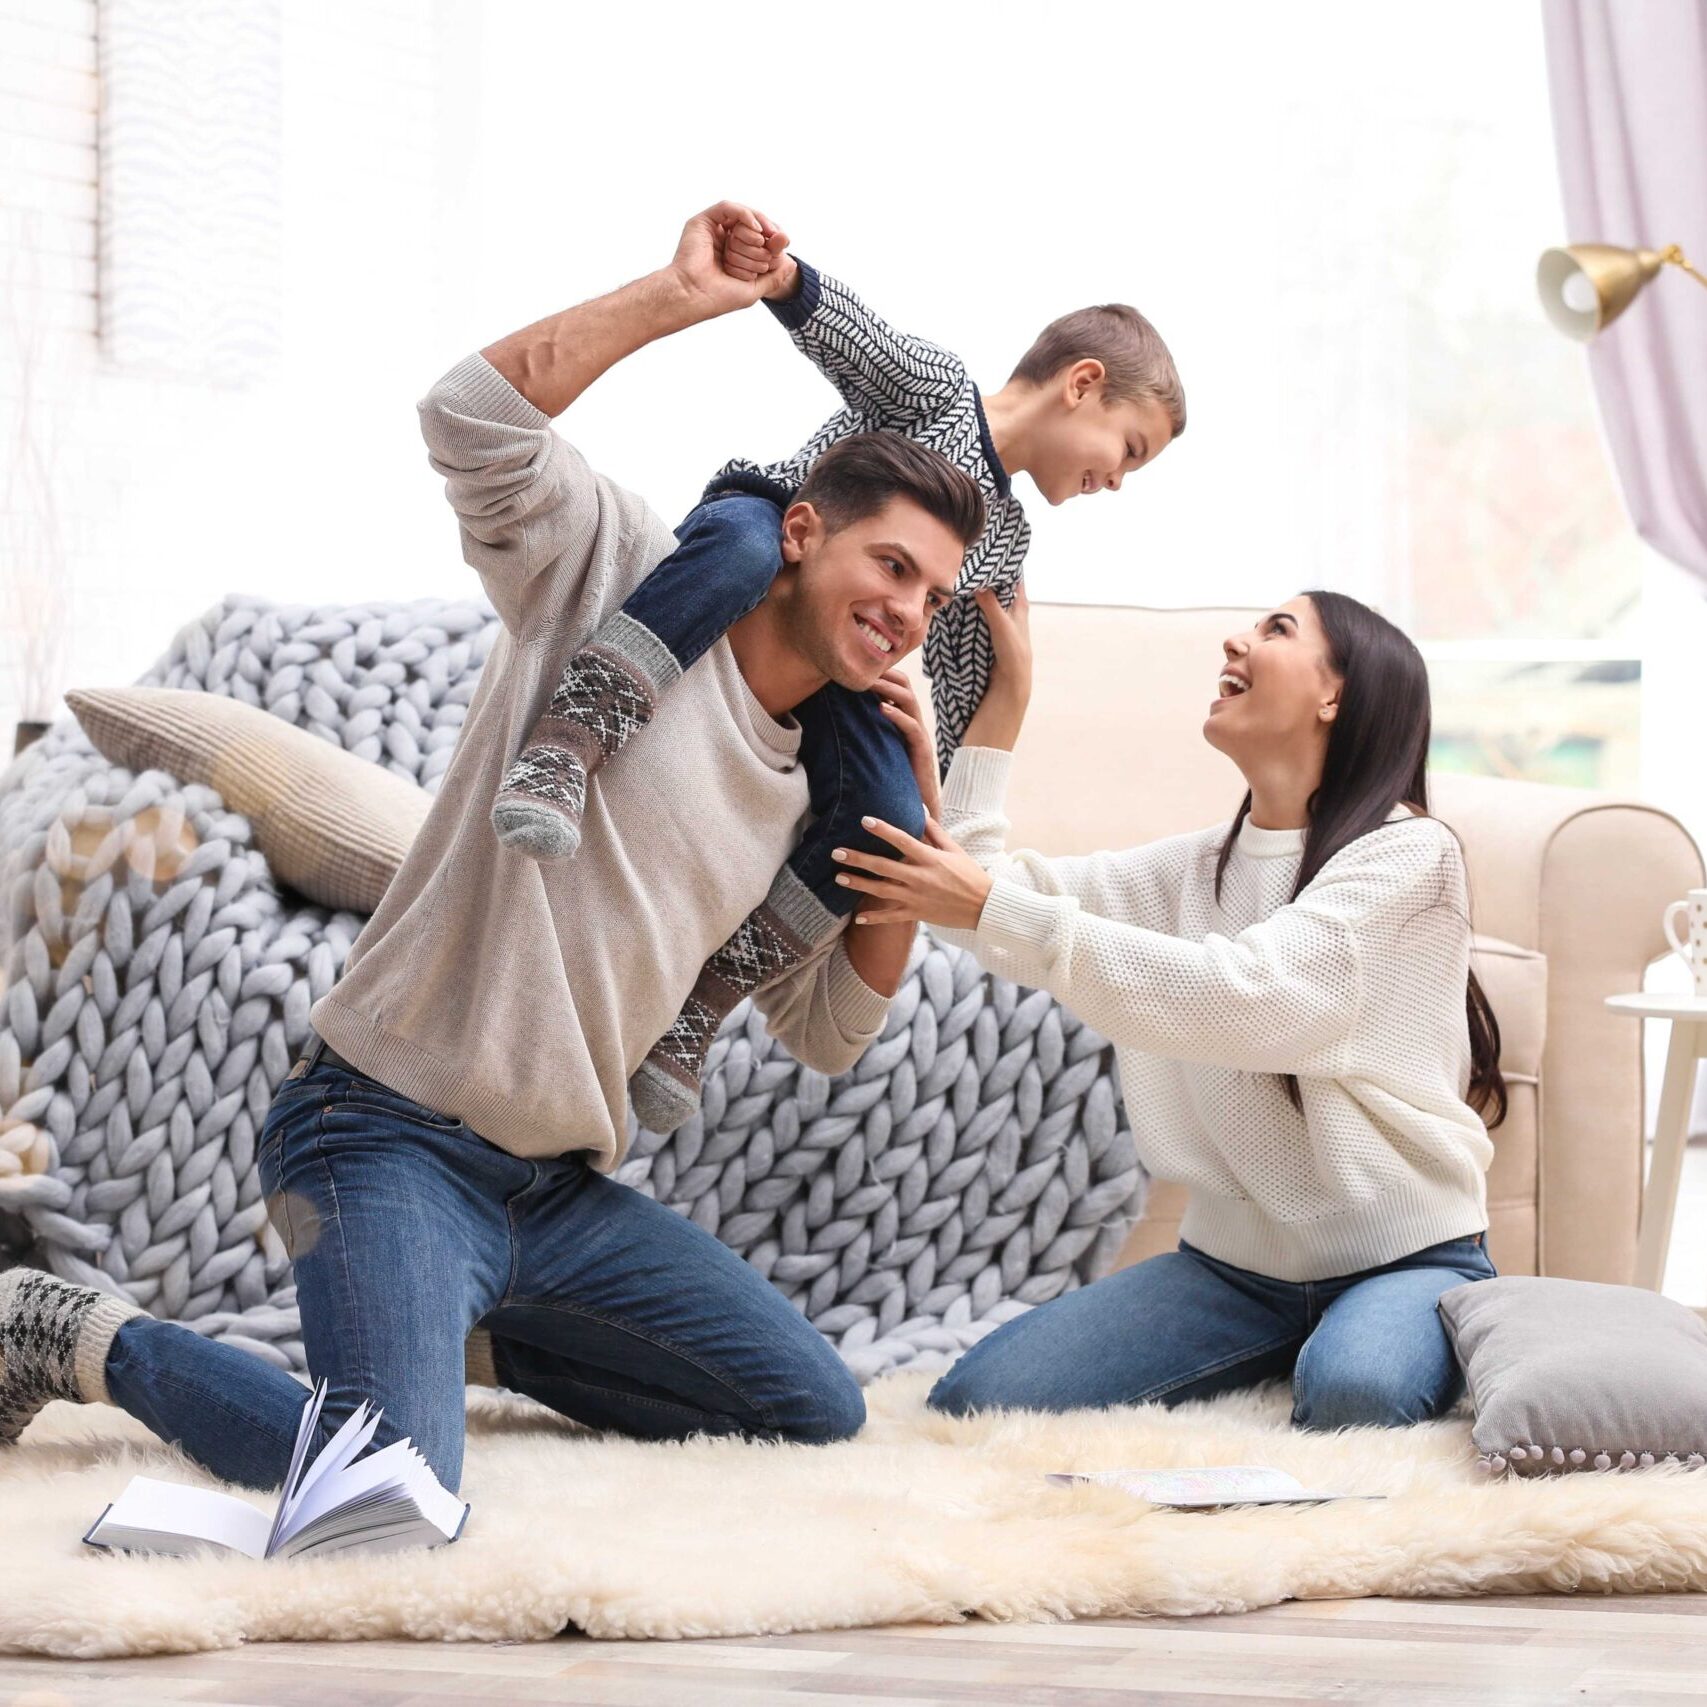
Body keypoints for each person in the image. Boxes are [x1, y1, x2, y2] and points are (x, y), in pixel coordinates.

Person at [0, 202, 985, 1492]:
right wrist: (677, 297)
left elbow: (831, 1032)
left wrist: (910, 813)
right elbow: (468, 413)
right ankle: (68, 1333)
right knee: (384, 1484)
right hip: (382, 1134)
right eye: (892, 566)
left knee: (808, 1407)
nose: (908, 614)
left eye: (933, 595)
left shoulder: (834, 779)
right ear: (801, 532)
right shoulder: (623, 573)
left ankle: (464, 1340)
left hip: (555, 1196)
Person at [493, 210, 1187, 1135]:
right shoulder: (937, 390)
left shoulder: (1004, 545)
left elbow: (961, 692)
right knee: (742, 552)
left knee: (891, 823)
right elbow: (863, 344)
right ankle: (564, 745)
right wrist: (779, 277)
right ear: (1083, 384)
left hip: (839, 665)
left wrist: (1004, 703)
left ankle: (701, 1006)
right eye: (1127, 451)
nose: (1118, 483)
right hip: (772, 534)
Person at [832, 586, 1507, 1429]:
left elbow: (1254, 998)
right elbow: (979, 907)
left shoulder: (1411, 854)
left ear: (1335, 694)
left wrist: (990, 907)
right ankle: (1292, 1349)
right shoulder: (1192, 869)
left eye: (1276, 628)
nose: (1236, 639)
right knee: (979, 1400)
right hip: (1229, 1274)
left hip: (1401, 1258)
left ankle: (1395, 1328)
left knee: (1355, 1394)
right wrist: (1003, 707)